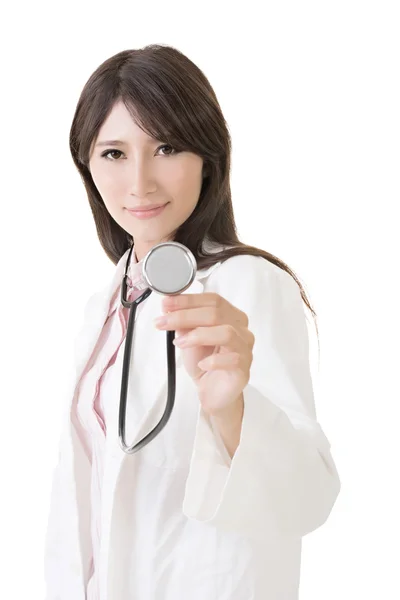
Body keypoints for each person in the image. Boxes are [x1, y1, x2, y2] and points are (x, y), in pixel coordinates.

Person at [44, 44, 341, 600]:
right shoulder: (103, 307)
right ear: (87, 164)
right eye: (113, 153)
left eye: (166, 146)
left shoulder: (247, 283)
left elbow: (310, 496)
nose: (140, 183)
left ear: (208, 155)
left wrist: (233, 409)